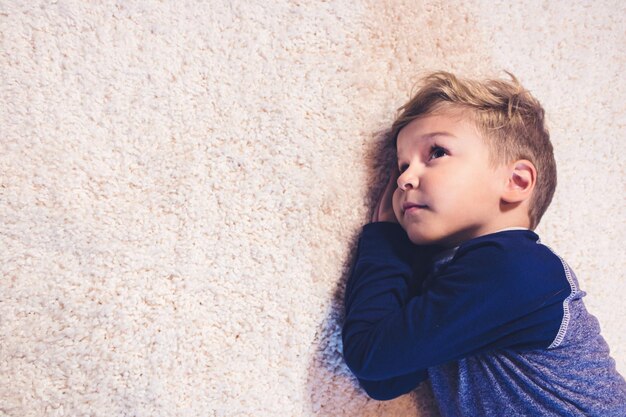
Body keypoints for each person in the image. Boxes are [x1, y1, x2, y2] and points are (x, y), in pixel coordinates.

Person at [341, 71, 626, 416]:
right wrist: (398, 245)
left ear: (516, 182)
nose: (403, 179)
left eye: (436, 152)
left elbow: (373, 355)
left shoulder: (519, 268)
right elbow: (385, 378)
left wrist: (384, 237)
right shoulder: (453, 276)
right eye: (402, 165)